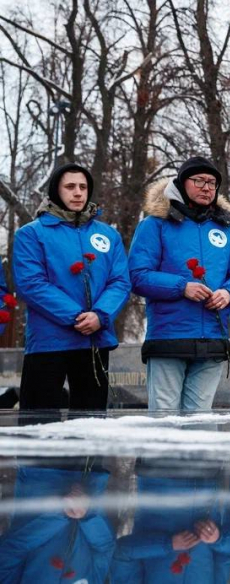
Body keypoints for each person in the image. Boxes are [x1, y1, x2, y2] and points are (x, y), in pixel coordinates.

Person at [128, 157, 230, 411]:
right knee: (163, 420)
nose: (207, 188)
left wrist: (228, 293)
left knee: (200, 423)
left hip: (213, 339)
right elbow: (137, 275)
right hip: (168, 338)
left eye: (213, 183)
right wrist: (182, 287)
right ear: (182, 183)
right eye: (200, 181)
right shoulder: (155, 224)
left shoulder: (226, 230)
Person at [12, 163, 131, 411]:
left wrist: (101, 315)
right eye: (70, 186)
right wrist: (76, 317)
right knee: (39, 426)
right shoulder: (31, 234)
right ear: (56, 191)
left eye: (83, 187)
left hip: (94, 341)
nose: (78, 192)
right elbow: (31, 284)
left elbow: (120, 281)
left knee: (91, 425)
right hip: (48, 342)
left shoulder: (109, 235)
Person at [0, 461, 115, 582]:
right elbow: (104, 549)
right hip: (91, 479)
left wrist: (60, 513)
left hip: (41, 476)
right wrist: (88, 514)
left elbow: (12, 549)